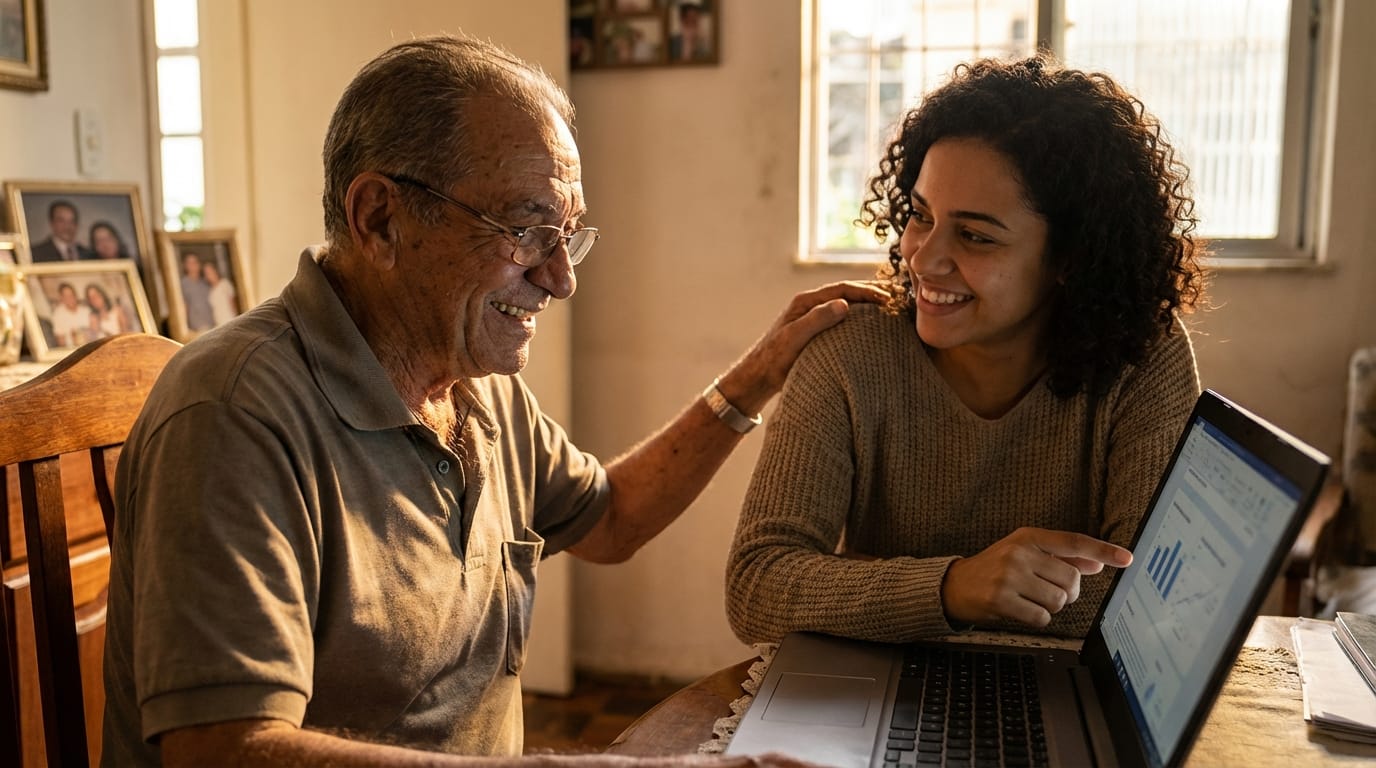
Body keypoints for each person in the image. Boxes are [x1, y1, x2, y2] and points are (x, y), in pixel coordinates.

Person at [101, 34, 884, 767]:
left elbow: (609, 520)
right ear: (379, 218)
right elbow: (223, 750)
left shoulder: (472, 386)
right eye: (524, 229)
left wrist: (759, 373)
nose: (561, 278)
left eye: (567, 235)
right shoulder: (233, 412)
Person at [725, 54, 1207, 646]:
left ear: (1070, 258)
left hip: (1052, 696)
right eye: (920, 216)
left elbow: (1156, 601)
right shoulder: (848, 355)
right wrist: (952, 587)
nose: (922, 258)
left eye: (975, 236)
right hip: (873, 695)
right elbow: (756, 587)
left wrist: (875, 596)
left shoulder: (1143, 360)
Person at [30, 200, 96, 262]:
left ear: (76, 225)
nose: (67, 227)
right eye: (61, 221)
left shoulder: (89, 254)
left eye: (72, 221)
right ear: (52, 224)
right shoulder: (35, 254)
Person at [177, 250, 214, 331]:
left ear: (199, 264)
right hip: (196, 328)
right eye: (189, 263)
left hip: (212, 325)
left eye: (195, 262)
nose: (192, 265)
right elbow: (183, 307)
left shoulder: (205, 283)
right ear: (185, 265)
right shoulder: (182, 284)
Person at [48, 281, 91, 346]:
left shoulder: (86, 310)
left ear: (76, 296)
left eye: (71, 295)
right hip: (73, 350)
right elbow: (61, 343)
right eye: (66, 296)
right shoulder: (58, 315)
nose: (70, 299)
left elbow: (95, 333)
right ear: (61, 298)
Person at [201, 259, 239, 326]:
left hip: (230, 321)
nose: (209, 274)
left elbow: (233, 304)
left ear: (215, 270)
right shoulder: (210, 291)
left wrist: (236, 321)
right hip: (218, 324)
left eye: (210, 270)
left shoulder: (224, 283)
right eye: (206, 273)